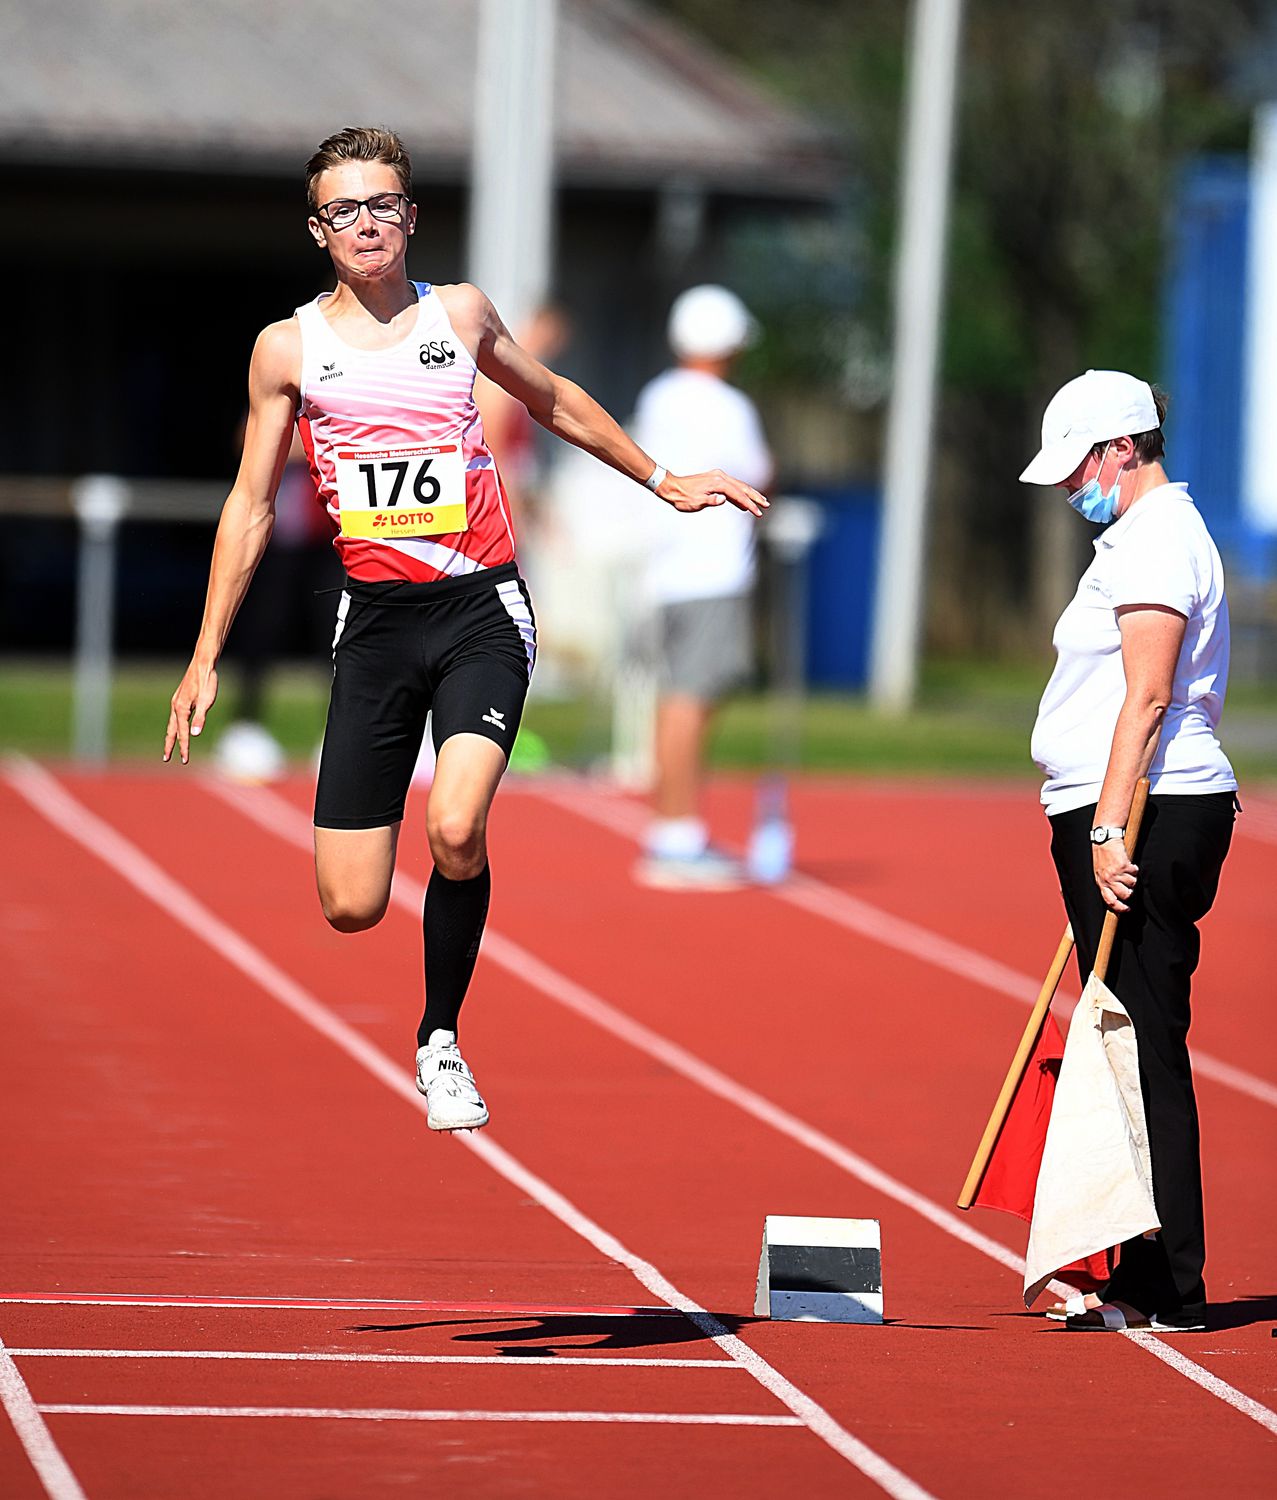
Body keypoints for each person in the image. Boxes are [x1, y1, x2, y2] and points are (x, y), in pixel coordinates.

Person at [164, 126, 768, 1133]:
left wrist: (663, 480)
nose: (366, 224)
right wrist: (203, 654)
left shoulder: (461, 314)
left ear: (410, 215)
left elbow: (554, 398)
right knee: (350, 904)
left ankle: (439, 1036)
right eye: (343, 210)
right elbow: (252, 504)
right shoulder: (287, 349)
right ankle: (415, 954)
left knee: (453, 825)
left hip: (481, 608)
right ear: (317, 231)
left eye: (382, 204)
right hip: (374, 624)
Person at [1019, 369, 1237, 1331]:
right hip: (1127, 806)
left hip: (1146, 808)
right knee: (1127, 1035)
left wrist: (1107, 829)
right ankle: (1143, 1269)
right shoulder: (1139, 536)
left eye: (1076, 467)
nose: (1069, 487)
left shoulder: (1155, 540)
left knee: (1143, 1038)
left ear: (1120, 449)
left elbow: (1146, 699)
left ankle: (1171, 1283)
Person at [630, 285, 774, 889]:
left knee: (677, 699)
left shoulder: (657, 394)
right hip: (712, 568)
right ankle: (678, 835)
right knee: (692, 700)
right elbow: (759, 473)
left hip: (665, 570)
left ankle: (672, 828)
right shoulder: (729, 406)